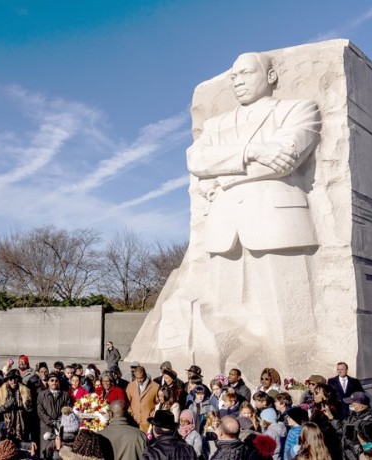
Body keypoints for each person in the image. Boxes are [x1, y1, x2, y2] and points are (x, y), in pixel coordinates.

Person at [187, 51, 323, 368]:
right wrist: (255, 150)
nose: (238, 81)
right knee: (223, 323)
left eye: (246, 73)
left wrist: (221, 176)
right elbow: (196, 161)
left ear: (271, 76)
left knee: (286, 321)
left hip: (276, 221)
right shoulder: (216, 124)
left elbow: (288, 157)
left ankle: (295, 381)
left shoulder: (298, 109)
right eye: (234, 76)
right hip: (224, 227)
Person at [37, 372, 72, 458]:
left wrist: (60, 420)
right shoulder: (42, 395)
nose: (54, 382)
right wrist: (50, 422)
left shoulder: (65, 395)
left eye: (56, 380)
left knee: (59, 451)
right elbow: (40, 411)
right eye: (52, 380)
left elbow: (68, 409)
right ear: (48, 382)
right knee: (45, 452)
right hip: (46, 427)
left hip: (60, 427)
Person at [0, 369, 33, 443]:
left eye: (15, 379)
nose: (13, 381)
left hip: (21, 424)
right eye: (11, 379)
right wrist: (5, 406)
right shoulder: (1, 392)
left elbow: (30, 410)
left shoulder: (25, 391)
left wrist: (28, 406)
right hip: (6, 424)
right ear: (8, 380)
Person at [126, 366, 159, 432]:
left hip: (147, 423)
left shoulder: (155, 386)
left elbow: (158, 403)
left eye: (141, 378)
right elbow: (127, 402)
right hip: (134, 422)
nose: (139, 380)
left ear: (145, 375)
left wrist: (152, 414)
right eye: (137, 378)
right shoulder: (130, 386)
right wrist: (132, 414)